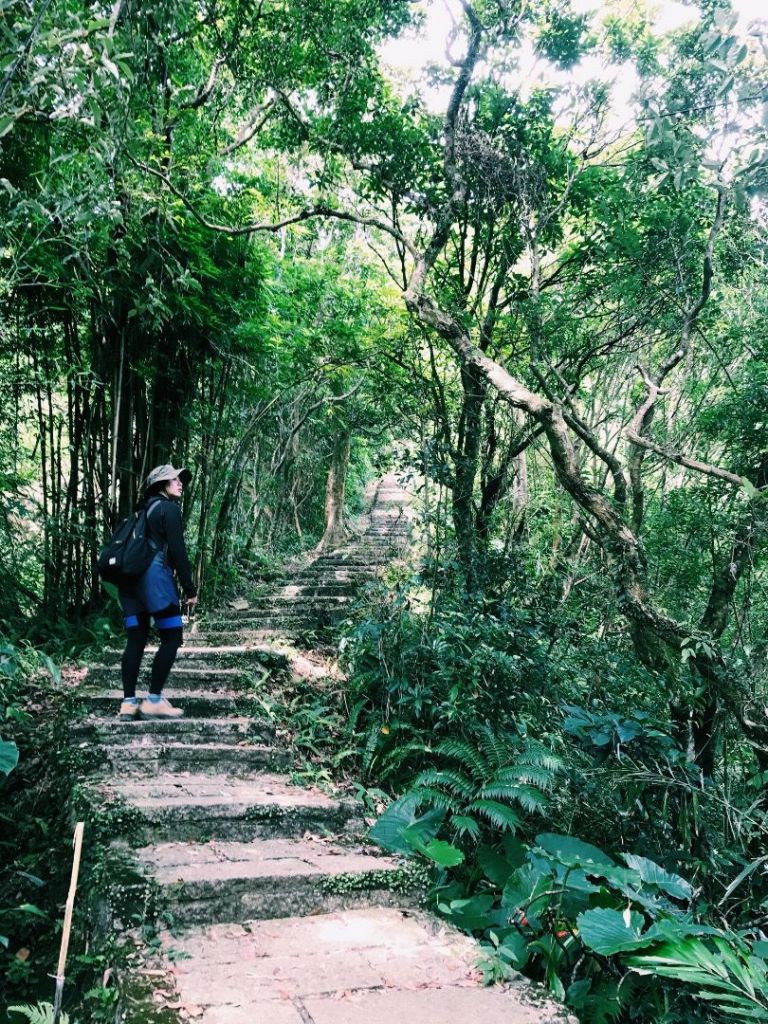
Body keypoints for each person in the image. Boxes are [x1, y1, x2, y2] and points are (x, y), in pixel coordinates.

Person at [118, 465, 198, 720]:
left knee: (136, 638)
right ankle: (153, 700)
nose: (180, 483)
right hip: (155, 581)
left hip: (129, 583)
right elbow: (177, 551)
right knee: (172, 636)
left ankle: (129, 703)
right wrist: (190, 589)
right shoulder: (169, 510)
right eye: (174, 479)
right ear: (162, 484)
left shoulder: (140, 512)